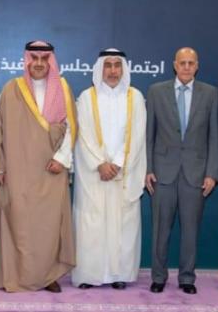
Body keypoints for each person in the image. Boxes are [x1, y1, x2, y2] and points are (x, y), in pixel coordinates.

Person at [0, 40, 77, 293]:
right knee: (20, 224)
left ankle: (48, 276)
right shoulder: (11, 89)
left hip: (51, 169)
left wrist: (62, 158)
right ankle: (17, 275)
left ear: (51, 62)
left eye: (44, 59)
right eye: (34, 58)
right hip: (17, 170)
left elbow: (72, 127)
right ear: (27, 61)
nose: (39, 64)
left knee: (48, 226)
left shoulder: (62, 88)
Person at [144, 47, 218, 294]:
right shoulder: (156, 91)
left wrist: (212, 173)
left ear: (197, 66)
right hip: (162, 172)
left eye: (191, 63)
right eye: (182, 63)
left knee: (190, 230)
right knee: (160, 230)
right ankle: (158, 277)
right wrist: (148, 168)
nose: (187, 67)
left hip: (195, 173)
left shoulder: (210, 93)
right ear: (174, 65)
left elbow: (214, 136)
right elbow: (149, 134)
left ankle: (187, 278)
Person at [72, 49, 147, 290]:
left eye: (117, 65)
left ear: (123, 68)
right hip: (94, 174)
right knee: (91, 223)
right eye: (108, 65)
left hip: (123, 172)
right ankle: (88, 275)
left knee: (123, 225)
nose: (113, 70)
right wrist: (100, 163)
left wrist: (117, 163)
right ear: (100, 68)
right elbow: (82, 135)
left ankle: (119, 275)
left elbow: (138, 134)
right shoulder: (87, 97)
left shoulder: (135, 97)